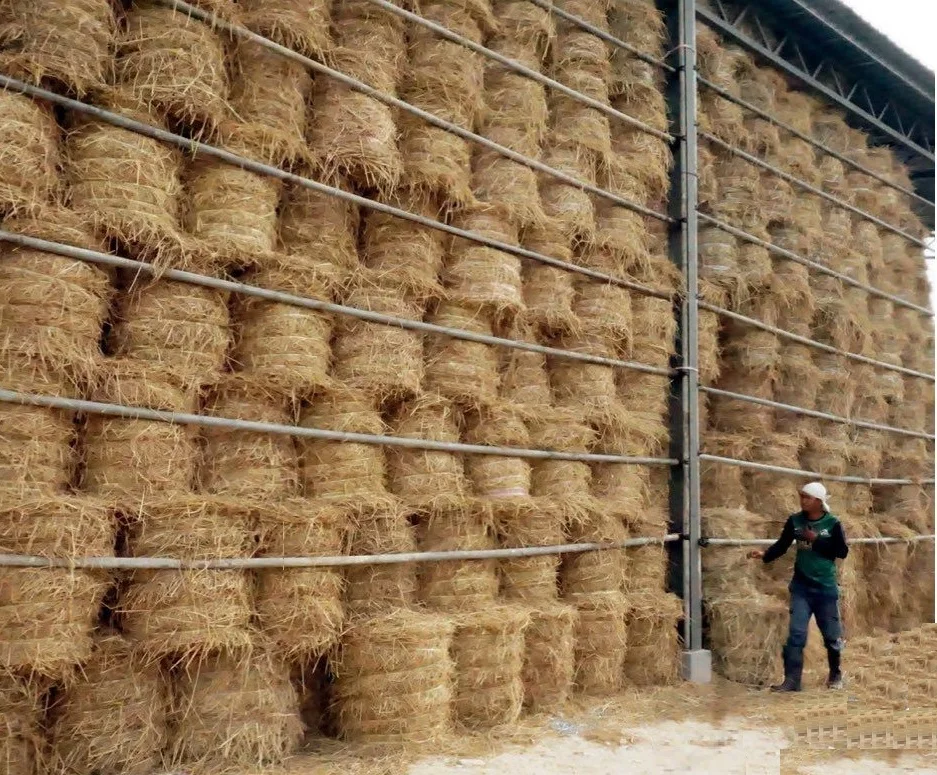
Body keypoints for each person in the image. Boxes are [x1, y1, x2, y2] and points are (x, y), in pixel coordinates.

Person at [748, 481, 849, 692]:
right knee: (796, 635)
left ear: (819, 502)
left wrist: (816, 540)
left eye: (807, 497)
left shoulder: (832, 523)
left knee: (831, 636)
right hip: (801, 587)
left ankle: (835, 674)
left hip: (825, 588)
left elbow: (841, 552)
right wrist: (765, 555)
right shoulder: (795, 521)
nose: (802, 501)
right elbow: (783, 544)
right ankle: (792, 681)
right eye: (801, 496)